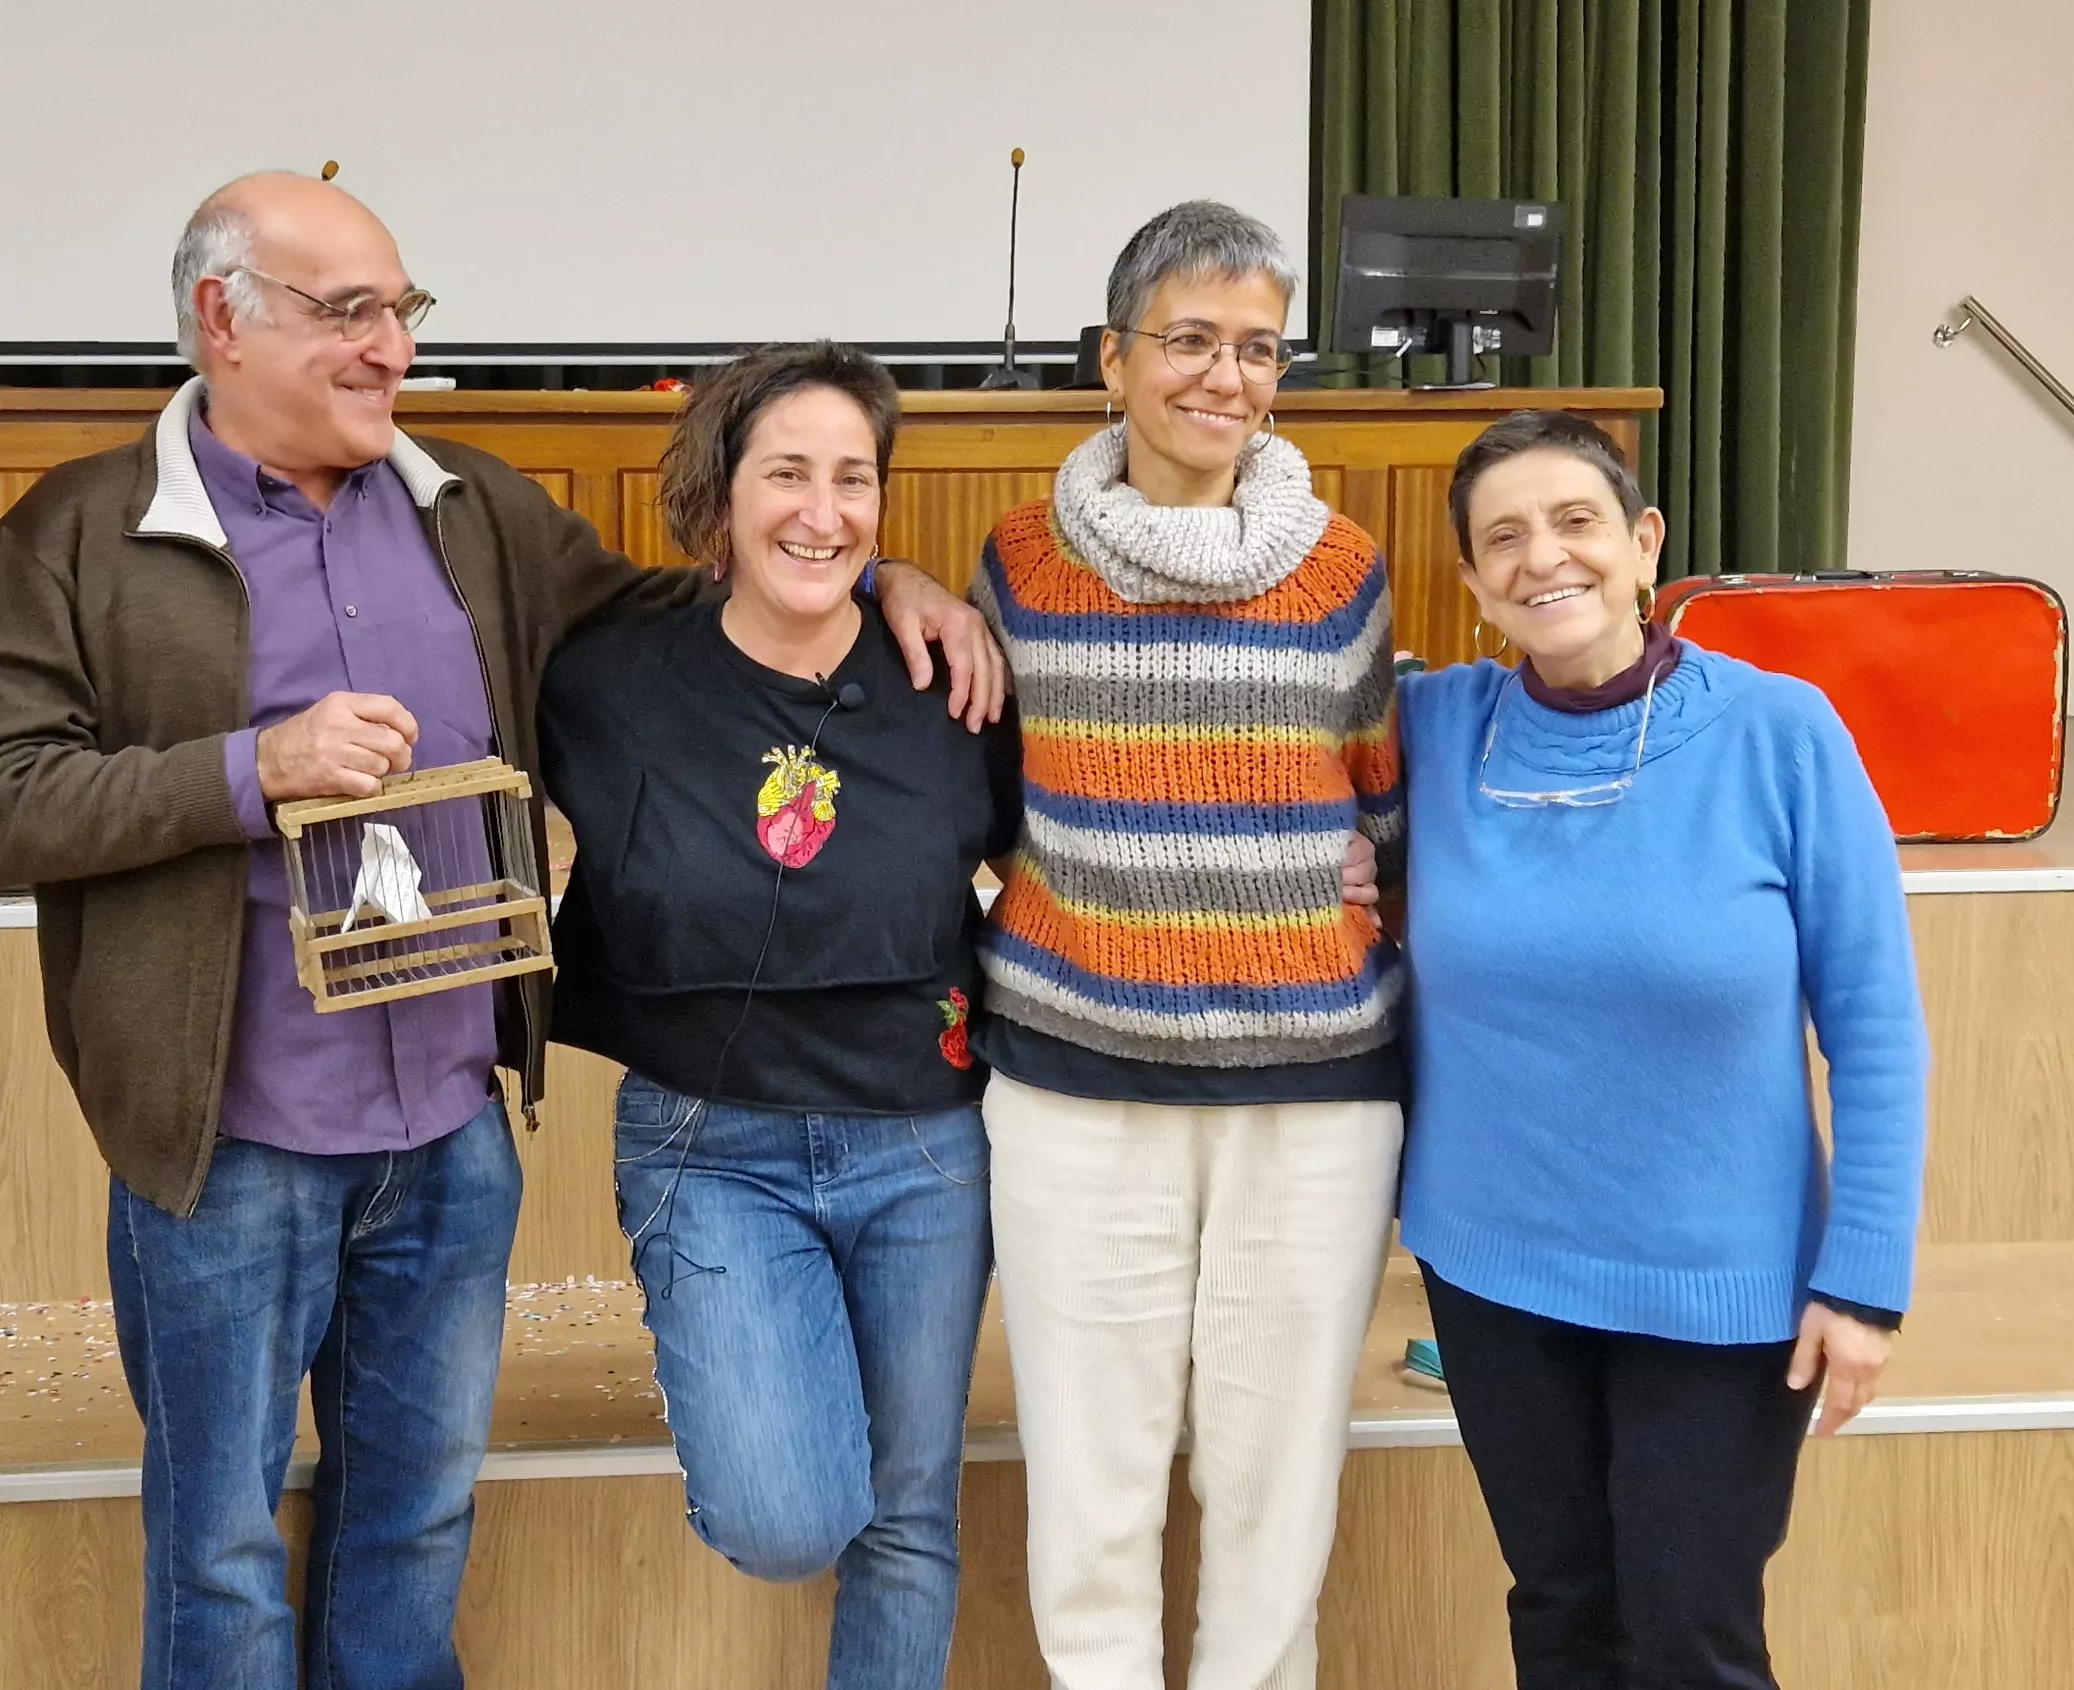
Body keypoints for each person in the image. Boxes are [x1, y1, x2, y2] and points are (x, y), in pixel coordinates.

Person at [0, 174, 1003, 1690]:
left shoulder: (473, 508)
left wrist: (879, 570)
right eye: (348, 312)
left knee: (417, 1523)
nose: (390, 349)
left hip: (448, 1132)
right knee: (223, 1551)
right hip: (223, 1141)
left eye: (402, 311)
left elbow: (698, 621)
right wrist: (255, 769)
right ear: (220, 318)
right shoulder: (81, 533)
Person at [1395, 409, 1929, 1690]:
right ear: (1471, 581)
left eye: (1574, 523)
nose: (1542, 560)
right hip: (1494, 1272)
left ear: (1644, 545)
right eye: (1502, 539)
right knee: (1562, 1615)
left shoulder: (1779, 732)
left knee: (1690, 1634)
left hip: (1721, 1285)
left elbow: (1874, 1024)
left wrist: (1861, 1283)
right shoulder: (1431, 730)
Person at [972, 200, 1406, 1690]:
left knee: (1274, 1493)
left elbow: (1385, 797)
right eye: (1192, 341)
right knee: (1088, 1493)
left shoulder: (1346, 567)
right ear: (1114, 359)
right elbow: (978, 783)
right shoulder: (1017, 562)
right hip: (1073, 1088)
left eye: (1259, 347)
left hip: (1315, 1097)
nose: (1227, 376)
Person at [539, 343, 1017, 1689]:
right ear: (721, 495)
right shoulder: (607, 678)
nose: (824, 512)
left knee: (911, 1521)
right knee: (788, 1519)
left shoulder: (955, 682)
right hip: (709, 1150)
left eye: (855, 481)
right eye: (788, 474)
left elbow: (1057, 862)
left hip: (928, 1146)